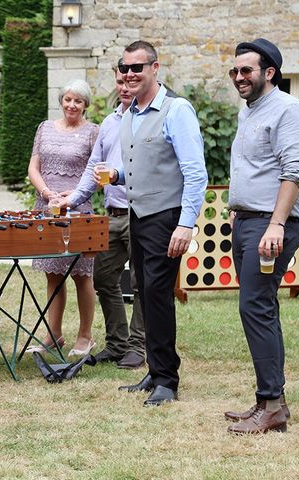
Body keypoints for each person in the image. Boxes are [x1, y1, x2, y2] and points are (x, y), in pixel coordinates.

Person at [111, 41, 207, 405]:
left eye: (138, 67)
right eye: (125, 67)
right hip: (138, 216)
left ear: (155, 68)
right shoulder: (130, 112)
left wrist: (185, 225)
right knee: (145, 293)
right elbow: (144, 165)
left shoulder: (176, 109)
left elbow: (195, 173)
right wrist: (118, 175)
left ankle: (167, 379)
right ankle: (155, 369)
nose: (130, 74)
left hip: (166, 218)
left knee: (159, 296)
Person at [224, 39, 299, 434]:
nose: (239, 77)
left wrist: (275, 224)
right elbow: (252, 166)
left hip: (270, 224)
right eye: (235, 71)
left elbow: (294, 170)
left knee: (254, 307)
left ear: (269, 72)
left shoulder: (290, 110)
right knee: (260, 308)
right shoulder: (250, 111)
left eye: (247, 71)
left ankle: (272, 405)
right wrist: (235, 206)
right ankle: (268, 401)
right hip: (248, 220)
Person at [61, 64, 145, 369]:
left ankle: (138, 346)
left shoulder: (150, 119)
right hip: (112, 214)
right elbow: (92, 169)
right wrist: (71, 199)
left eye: (128, 81)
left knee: (141, 283)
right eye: (119, 82)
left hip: (142, 213)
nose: (124, 86)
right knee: (104, 277)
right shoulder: (109, 122)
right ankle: (117, 343)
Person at [26, 79, 99, 357]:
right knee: (53, 275)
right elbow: (33, 167)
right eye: (68, 99)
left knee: (82, 276)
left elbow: (97, 171)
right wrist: (46, 193)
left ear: (85, 106)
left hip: (78, 210)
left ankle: (85, 336)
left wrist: (74, 193)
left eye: (78, 101)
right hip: (46, 208)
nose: (72, 105)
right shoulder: (44, 128)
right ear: (61, 101)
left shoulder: (94, 132)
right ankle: (53, 335)